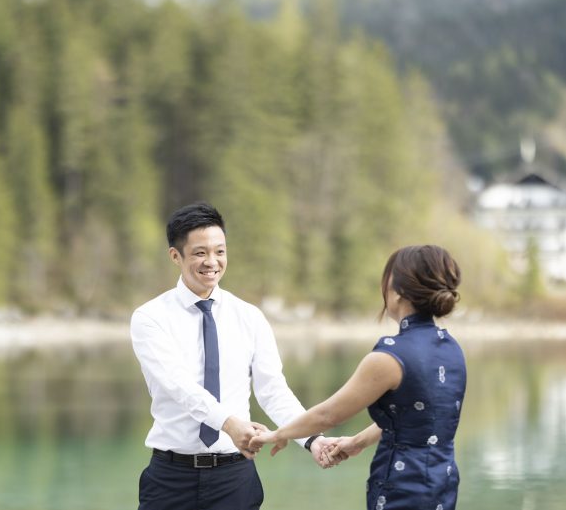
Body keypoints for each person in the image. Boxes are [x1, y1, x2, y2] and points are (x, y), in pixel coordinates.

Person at [130, 202, 330, 510]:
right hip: (171, 479)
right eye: (200, 253)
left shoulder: (249, 317)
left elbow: (273, 391)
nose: (212, 262)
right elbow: (178, 385)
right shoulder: (150, 318)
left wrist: (312, 440)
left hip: (235, 479)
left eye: (219, 251)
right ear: (175, 256)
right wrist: (229, 423)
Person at [251, 245, 466, 510]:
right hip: (442, 484)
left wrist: (277, 434)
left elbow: (328, 415)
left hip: (403, 488)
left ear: (398, 292)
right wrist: (356, 442)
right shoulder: (451, 348)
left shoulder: (390, 356)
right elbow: (414, 419)